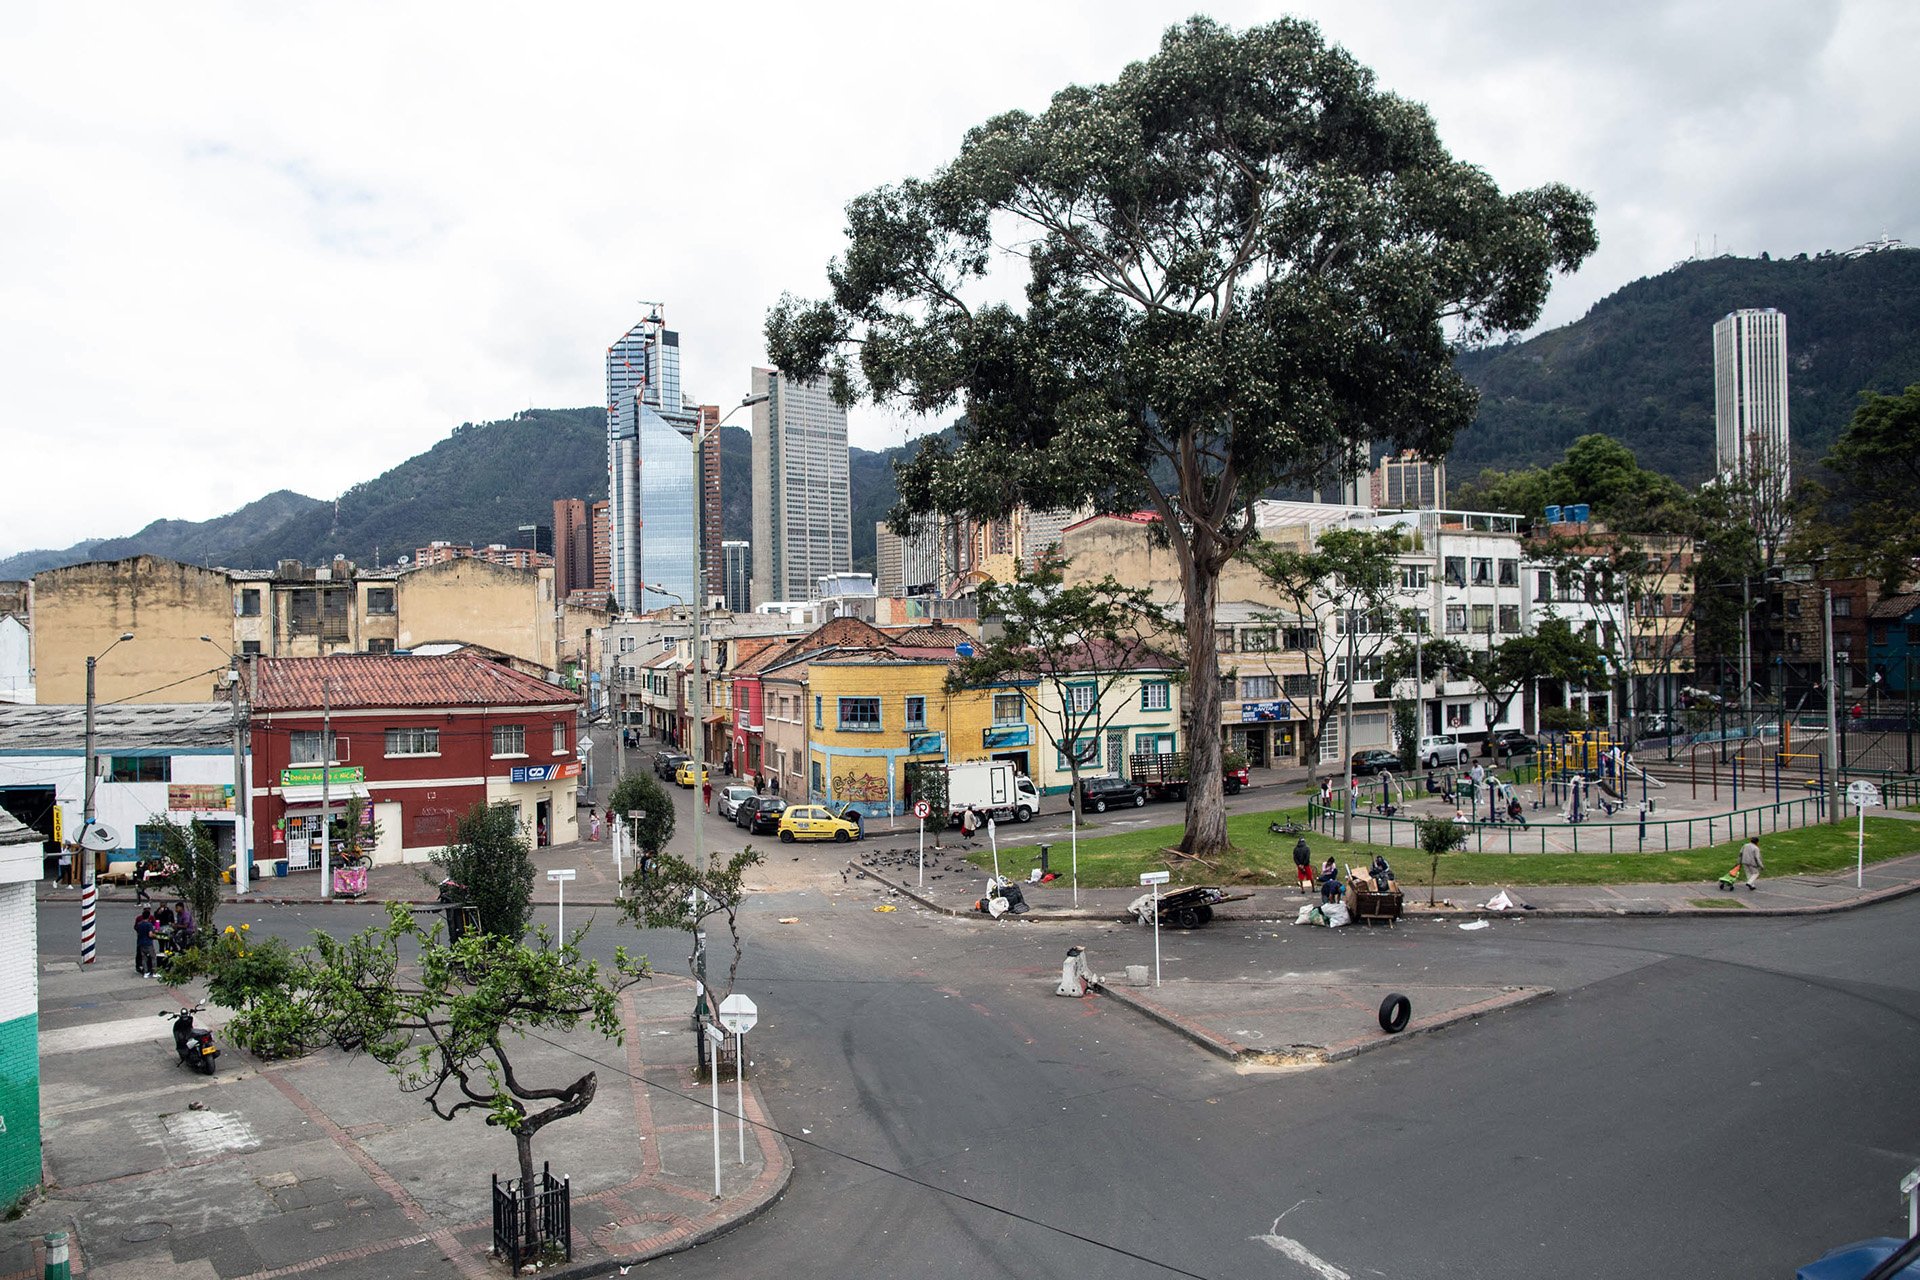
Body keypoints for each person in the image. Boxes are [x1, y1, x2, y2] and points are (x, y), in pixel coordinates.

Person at [133, 908, 156, 977]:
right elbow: (150, 934)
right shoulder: (149, 925)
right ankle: (154, 971)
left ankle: (145, 972)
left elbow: (137, 929)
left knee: (144, 958)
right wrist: (155, 936)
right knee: (153, 957)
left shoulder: (139, 924)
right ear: (149, 916)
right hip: (148, 943)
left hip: (141, 943)